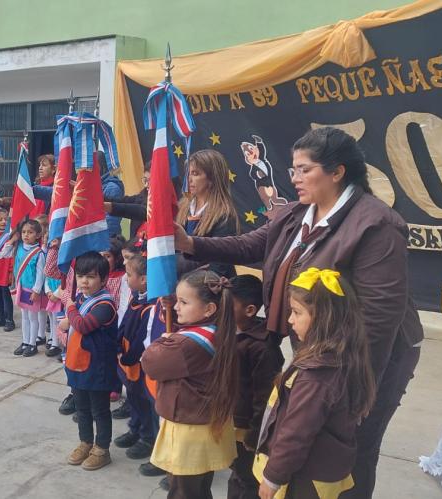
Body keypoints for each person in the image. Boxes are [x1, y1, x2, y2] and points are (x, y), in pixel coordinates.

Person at [175, 127, 423, 498]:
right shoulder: (298, 213)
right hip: (319, 351)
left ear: (337, 172)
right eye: (292, 170)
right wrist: (191, 242)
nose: (294, 178)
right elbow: (250, 244)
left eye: (304, 170)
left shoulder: (376, 225)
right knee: (311, 443)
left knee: (349, 449)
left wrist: (353, 392)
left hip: (369, 361)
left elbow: (378, 321)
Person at [254, 268, 376, 499]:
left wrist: (273, 477)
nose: (290, 320)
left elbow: (296, 432)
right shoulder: (344, 356)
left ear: (322, 318)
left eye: (297, 313)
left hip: (305, 478)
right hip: (324, 469)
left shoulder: (316, 377)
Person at [141, 270, 239, 499]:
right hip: (207, 421)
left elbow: (150, 363)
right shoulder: (219, 329)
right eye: (177, 300)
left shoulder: (185, 345)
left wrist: (163, 341)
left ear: (208, 309)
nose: (176, 307)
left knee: (182, 492)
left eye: (183, 302)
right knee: (200, 489)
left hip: (189, 429)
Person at [61, 251, 120, 471]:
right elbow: (73, 323)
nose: (84, 281)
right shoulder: (81, 299)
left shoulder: (105, 304)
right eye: (80, 276)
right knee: (82, 409)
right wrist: (71, 312)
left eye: (91, 277)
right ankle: (85, 442)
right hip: (77, 364)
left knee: (100, 410)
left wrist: (69, 307)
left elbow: (84, 325)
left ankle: (102, 449)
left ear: (103, 279)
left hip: (97, 368)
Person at [228, 274, 284, 499]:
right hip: (231, 420)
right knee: (236, 473)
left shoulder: (263, 349)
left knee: (248, 477)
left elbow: (265, 398)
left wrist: (255, 435)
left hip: (247, 428)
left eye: (228, 306)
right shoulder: (231, 332)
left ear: (250, 310)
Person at [113, 254, 161, 462]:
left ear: (144, 279)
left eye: (129, 274)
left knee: (145, 401)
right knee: (133, 397)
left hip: (139, 362)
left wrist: (129, 357)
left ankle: (148, 438)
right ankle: (135, 428)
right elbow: (124, 322)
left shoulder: (152, 305)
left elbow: (144, 338)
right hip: (127, 358)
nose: (125, 278)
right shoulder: (136, 296)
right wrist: (117, 342)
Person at [11, 219, 47, 356]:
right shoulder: (19, 247)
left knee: (33, 317)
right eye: (24, 232)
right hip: (21, 287)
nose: (26, 235)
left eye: (30, 232)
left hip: (32, 290)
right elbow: (6, 251)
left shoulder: (38, 253)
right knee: (24, 316)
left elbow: (40, 274)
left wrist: (37, 290)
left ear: (38, 235)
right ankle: (25, 341)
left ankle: (32, 344)